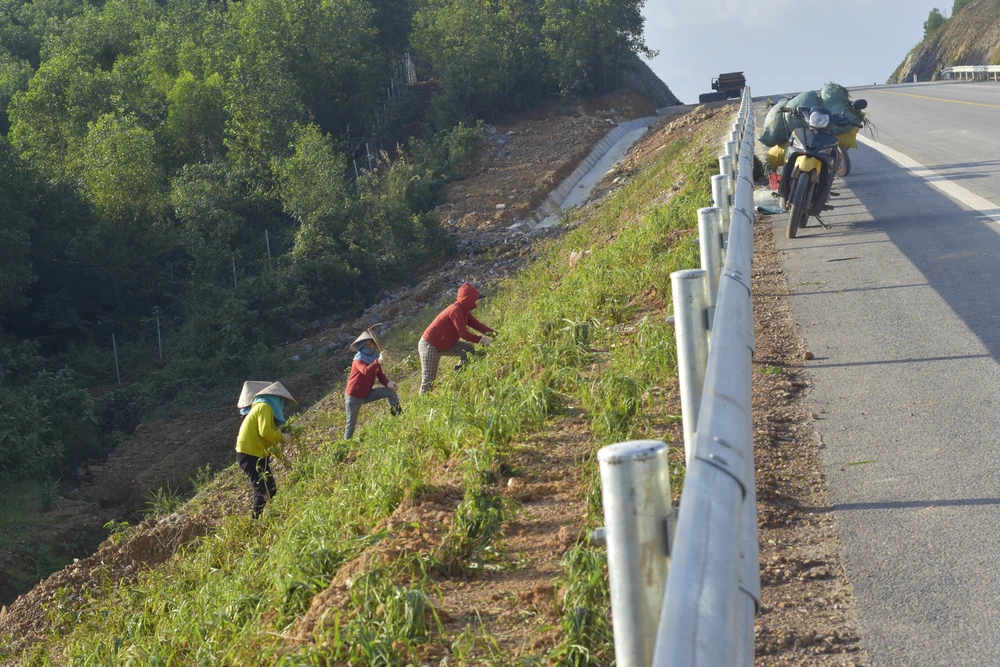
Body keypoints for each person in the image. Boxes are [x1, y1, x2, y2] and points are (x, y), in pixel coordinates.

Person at [419, 282, 496, 394]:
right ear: (468, 299)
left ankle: (458, 376)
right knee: (429, 380)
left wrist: (495, 335)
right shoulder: (455, 311)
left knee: (468, 349)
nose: (476, 302)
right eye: (475, 299)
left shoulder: (464, 312)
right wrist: (482, 340)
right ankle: (422, 404)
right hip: (430, 345)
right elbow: (463, 334)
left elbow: (478, 325)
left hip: (445, 343)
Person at [235, 381, 296, 518]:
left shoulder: (263, 409)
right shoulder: (264, 407)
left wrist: (284, 459)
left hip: (257, 453)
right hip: (249, 454)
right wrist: (283, 437)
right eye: (280, 401)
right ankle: (255, 521)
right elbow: (265, 432)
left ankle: (268, 517)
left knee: (271, 488)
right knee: (261, 489)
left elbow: (269, 441)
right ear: (274, 398)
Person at [345, 330, 402, 439]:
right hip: (354, 396)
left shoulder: (374, 357)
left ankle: (399, 417)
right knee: (350, 425)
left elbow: (380, 374)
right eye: (366, 345)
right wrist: (379, 361)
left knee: (390, 392)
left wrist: (388, 383)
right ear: (361, 347)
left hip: (366, 393)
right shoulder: (358, 360)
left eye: (371, 343)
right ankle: (346, 448)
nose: (369, 346)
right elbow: (366, 371)